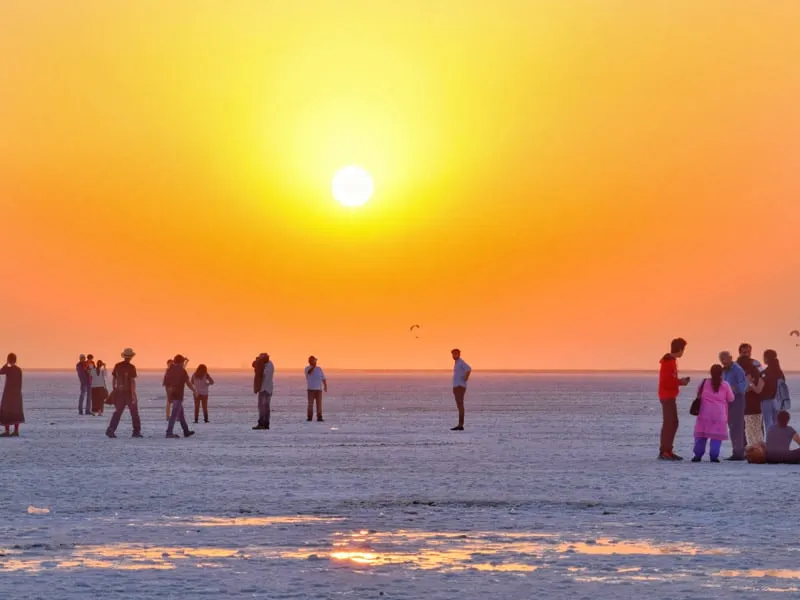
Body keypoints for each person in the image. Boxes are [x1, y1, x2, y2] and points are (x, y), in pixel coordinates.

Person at [692, 364, 734, 462]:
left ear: (710, 372)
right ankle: (714, 456)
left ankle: (697, 455)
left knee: (701, 436)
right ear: (721, 373)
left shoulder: (704, 382)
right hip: (719, 414)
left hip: (704, 412)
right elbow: (731, 398)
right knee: (716, 437)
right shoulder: (725, 384)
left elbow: (698, 393)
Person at [658, 338, 690, 460]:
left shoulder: (671, 361)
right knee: (669, 423)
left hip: (670, 396)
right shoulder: (668, 362)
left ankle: (668, 450)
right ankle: (664, 451)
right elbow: (666, 382)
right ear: (680, 349)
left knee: (673, 423)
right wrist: (680, 382)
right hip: (667, 396)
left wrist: (679, 382)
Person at [750, 349, 786, 440]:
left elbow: (758, 390)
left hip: (767, 401)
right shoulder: (780, 373)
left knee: (769, 424)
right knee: (777, 424)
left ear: (766, 358)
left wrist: (750, 383)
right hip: (779, 401)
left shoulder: (765, 373)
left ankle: (771, 444)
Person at [106, 348, 142, 438]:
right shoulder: (131, 367)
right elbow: (132, 381)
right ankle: (136, 432)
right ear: (131, 357)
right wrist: (133, 394)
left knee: (118, 412)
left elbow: (114, 379)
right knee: (134, 412)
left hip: (119, 392)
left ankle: (111, 429)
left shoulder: (117, 365)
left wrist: (114, 388)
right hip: (128, 392)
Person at [720, 351, 747, 461]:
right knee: (733, 426)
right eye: (721, 360)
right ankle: (740, 450)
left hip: (737, 400)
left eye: (725, 359)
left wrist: (733, 388)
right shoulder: (725, 370)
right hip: (728, 401)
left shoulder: (737, 369)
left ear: (731, 358)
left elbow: (743, 386)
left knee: (736, 426)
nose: (723, 362)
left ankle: (738, 453)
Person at [163, 354, 196, 439]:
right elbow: (188, 383)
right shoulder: (182, 370)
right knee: (174, 415)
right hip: (178, 395)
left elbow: (166, 384)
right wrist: (194, 390)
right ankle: (169, 432)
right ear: (181, 362)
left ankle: (186, 431)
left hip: (172, 395)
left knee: (181, 415)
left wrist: (168, 396)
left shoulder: (169, 370)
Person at [737, 343, 763, 446]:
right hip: (740, 398)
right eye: (744, 352)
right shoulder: (736, 365)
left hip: (755, 398)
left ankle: (759, 445)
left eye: (748, 352)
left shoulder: (756, 363)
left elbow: (763, 376)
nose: (746, 354)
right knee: (741, 424)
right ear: (739, 352)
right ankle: (743, 447)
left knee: (757, 424)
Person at [0, 353, 24, 437]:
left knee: (7, 411)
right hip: (17, 394)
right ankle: (16, 431)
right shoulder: (18, 369)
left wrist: (6, 364)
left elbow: (1, 371)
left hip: (8, 394)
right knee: (16, 412)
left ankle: (7, 431)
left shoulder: (8, 369)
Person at [450, 348, 472, 431]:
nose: (454, 355)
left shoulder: (461, 362)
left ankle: (460, 424)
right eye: (453, 354)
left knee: (460, 405)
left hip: (460, 386)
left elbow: (469, 369)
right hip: (456, 386)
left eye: (456, 354)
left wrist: (466, 378)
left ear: (459, 354)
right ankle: (460, 424)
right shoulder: (457, 363)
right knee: (459, 406)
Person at [252, 353, 274, 430]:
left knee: (263, 407)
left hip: (265, 389)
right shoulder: (269, 364)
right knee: (264, 407)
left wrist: (258, 365)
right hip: (266, 389)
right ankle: (265, 424)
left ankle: (262, 423)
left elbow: (261, 374)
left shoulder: (268, 366)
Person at [304, 356, 327, 422]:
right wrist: (313, 367)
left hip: (318, 390)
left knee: (319, 404)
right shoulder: (307, 368)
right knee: (310, 404)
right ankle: (309, 417)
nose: (315, 362)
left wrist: (325, 386)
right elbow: (309, 373)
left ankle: (319, 417)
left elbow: (323, 378)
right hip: (311, 389)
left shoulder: (319, 369)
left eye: (315, 360)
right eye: (314, 360)